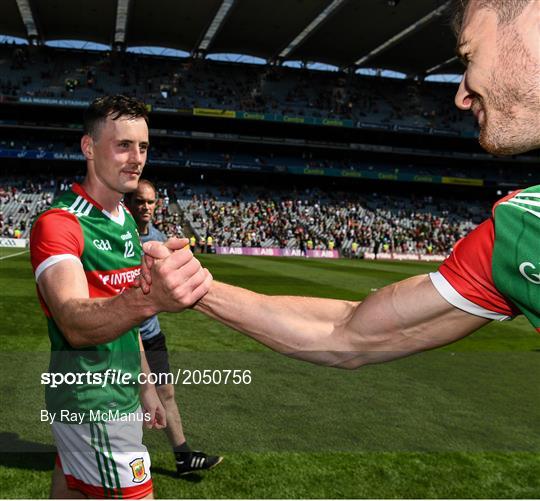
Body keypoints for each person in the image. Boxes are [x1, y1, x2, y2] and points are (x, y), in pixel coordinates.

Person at [141, 0, 540, 369]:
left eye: (469, 56)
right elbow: (350, 334)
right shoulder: (514, 235)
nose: (459, 96)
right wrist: (196, 289)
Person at [30, 95, 212, 499]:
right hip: (92, 400)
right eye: (123, 145)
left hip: (119, 392)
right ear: (89, 147)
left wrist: (146, 388)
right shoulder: (60, 223)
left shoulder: (126, 219)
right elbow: (75, 323)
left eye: (143, 147)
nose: (136, 158)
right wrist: (153, 298)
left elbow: (129, 321)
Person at [124, 180, 223, 476]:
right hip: (124, 334)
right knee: (125, 401)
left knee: (166, 392)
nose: (145, 207)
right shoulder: (120, 235)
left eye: (151, 202)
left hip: (151, 334)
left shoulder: (158, 238)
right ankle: (117, 461)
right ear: (130, 202)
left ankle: (182, 457)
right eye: (140, 201)